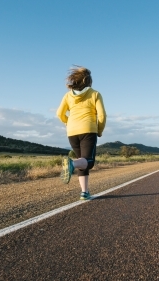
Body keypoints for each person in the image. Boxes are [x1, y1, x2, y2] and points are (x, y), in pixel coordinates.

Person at [56, 66, 107, 200]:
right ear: (89, 81)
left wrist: (68, 122)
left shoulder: (68, 96)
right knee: (88, 162)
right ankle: (71, 164)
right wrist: (99, 130)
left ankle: (84, 192)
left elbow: (59, 114)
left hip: (72, 132)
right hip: (88, 130)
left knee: (82, 162)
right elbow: (102, 116)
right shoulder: (95, 94)